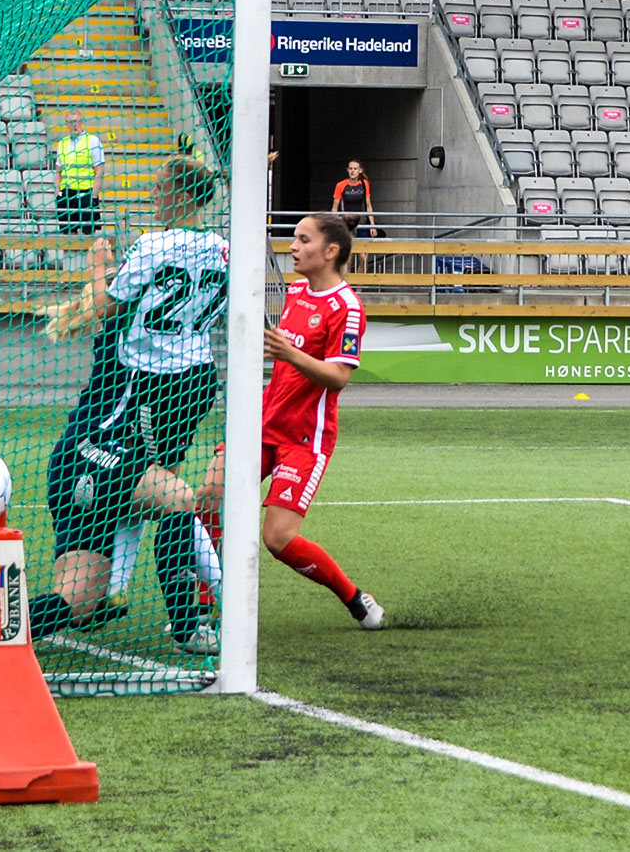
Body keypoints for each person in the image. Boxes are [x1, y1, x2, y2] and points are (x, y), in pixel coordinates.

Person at [29, 155, 230, 655]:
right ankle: (191, 626)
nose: (151, 196)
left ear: (181, 193)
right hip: (97, 446)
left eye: (159, 187)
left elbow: (101, 307)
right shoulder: (225, 253)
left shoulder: (148, 263)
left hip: (98, 447)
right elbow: (107, 309)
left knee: (76, 604)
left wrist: (98, 265)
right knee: (179, 497)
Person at [260, 213, 385, 630]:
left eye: (303, 239)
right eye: (293, 239)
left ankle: (354, 598)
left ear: (331, 251)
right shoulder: (295, 291)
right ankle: (201, 612)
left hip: (304, 437)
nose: (293, 247)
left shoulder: (346, 307)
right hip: (262, 423)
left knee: (277, 539)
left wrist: (289, 353)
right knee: (207, 498)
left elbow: (339, 377)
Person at [54, 109, 105, 236]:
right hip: (67, 193)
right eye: (70, 122)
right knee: (68, 233)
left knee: (88, 234)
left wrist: (93, 196)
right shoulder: (62, 143)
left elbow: (99, 170)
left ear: (81, 123)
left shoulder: (92, 141)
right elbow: (58, 171)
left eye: (76, 121)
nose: (73, 125)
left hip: (85, 193)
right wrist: (58, 192)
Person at [330, 159, 379, 273]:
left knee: (364, 257)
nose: (353, 171)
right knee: (348, 257)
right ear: (347, 170)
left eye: (355, 169)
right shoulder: (341, 185)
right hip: (347, 223)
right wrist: (334, 224)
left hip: (361, 222)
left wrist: (372, 225)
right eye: (350, 169)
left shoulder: (364, 184)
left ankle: (360, 289)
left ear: (360, 171)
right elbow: (334, 208)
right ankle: (348, 285)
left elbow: (368, 205)